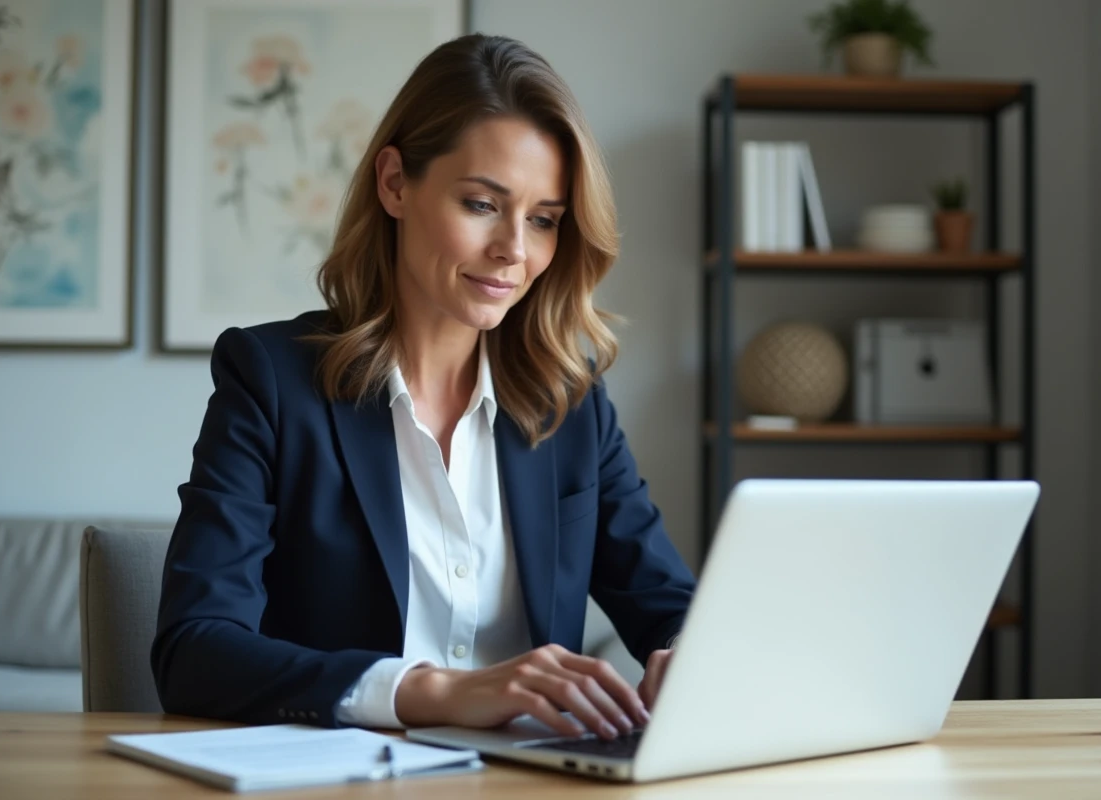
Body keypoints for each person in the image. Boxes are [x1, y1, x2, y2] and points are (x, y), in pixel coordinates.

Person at [151, 33, 695, 741]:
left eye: (544, 220)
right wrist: (432, 691)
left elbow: (671, 607)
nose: (515, 251)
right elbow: (193, 650)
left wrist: (690, 661)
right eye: (481, 204)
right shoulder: (272, 380)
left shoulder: (573, 400)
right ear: (394, 183)